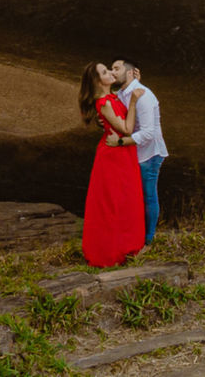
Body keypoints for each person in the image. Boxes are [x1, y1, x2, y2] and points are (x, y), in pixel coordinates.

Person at [78, 61, 146, 266]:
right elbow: (126, 128)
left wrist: (134, 82)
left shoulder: (110, 97)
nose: (110, 72)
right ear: (99, 81)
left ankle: (126, 246)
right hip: (114, 155)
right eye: (105, 71)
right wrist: (133, 102)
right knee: (114, 201)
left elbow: (118, 103)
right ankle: (112, 251)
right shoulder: (105, 102)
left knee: (125, 198)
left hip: (120, 152)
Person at [106, 58, 168, 245]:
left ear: (131, 72)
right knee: (133, 195)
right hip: (135, 151)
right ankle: (134, 234)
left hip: (149, 154)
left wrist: (120, 142)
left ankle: (148, 239)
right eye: (111, 69)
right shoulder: (124, 92)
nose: (113, 71)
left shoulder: (143, 95)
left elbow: (149, 133)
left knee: (148, 195)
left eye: (117, 68)